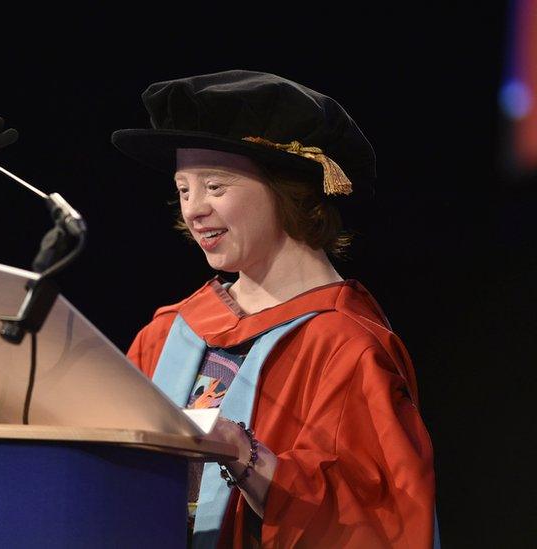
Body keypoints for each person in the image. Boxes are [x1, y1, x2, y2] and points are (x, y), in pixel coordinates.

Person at [112, 71, 438, 548]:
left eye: (215, 186)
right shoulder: (167, 333)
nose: (193, 209)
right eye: (184, 190)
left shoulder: (347, 347)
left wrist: (241, 453)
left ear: (288, 191)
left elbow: (374, 520)